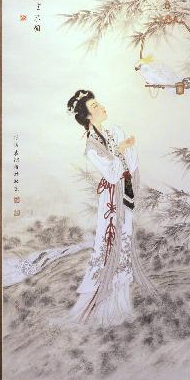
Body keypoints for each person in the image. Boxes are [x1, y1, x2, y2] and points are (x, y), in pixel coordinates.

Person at [65, 89, 156, 326]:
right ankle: (101, 306)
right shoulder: (90, 145)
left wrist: (126, 149)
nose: (102, 107)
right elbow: (112, 171)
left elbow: (131, 163)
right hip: (110, 200)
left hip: (124, 196)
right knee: (108, 243)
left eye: (99, 103)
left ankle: (121, 303)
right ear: (87, 117)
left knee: (123, 241)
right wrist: (122, 150)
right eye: (95, 107)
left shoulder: (113, 130)